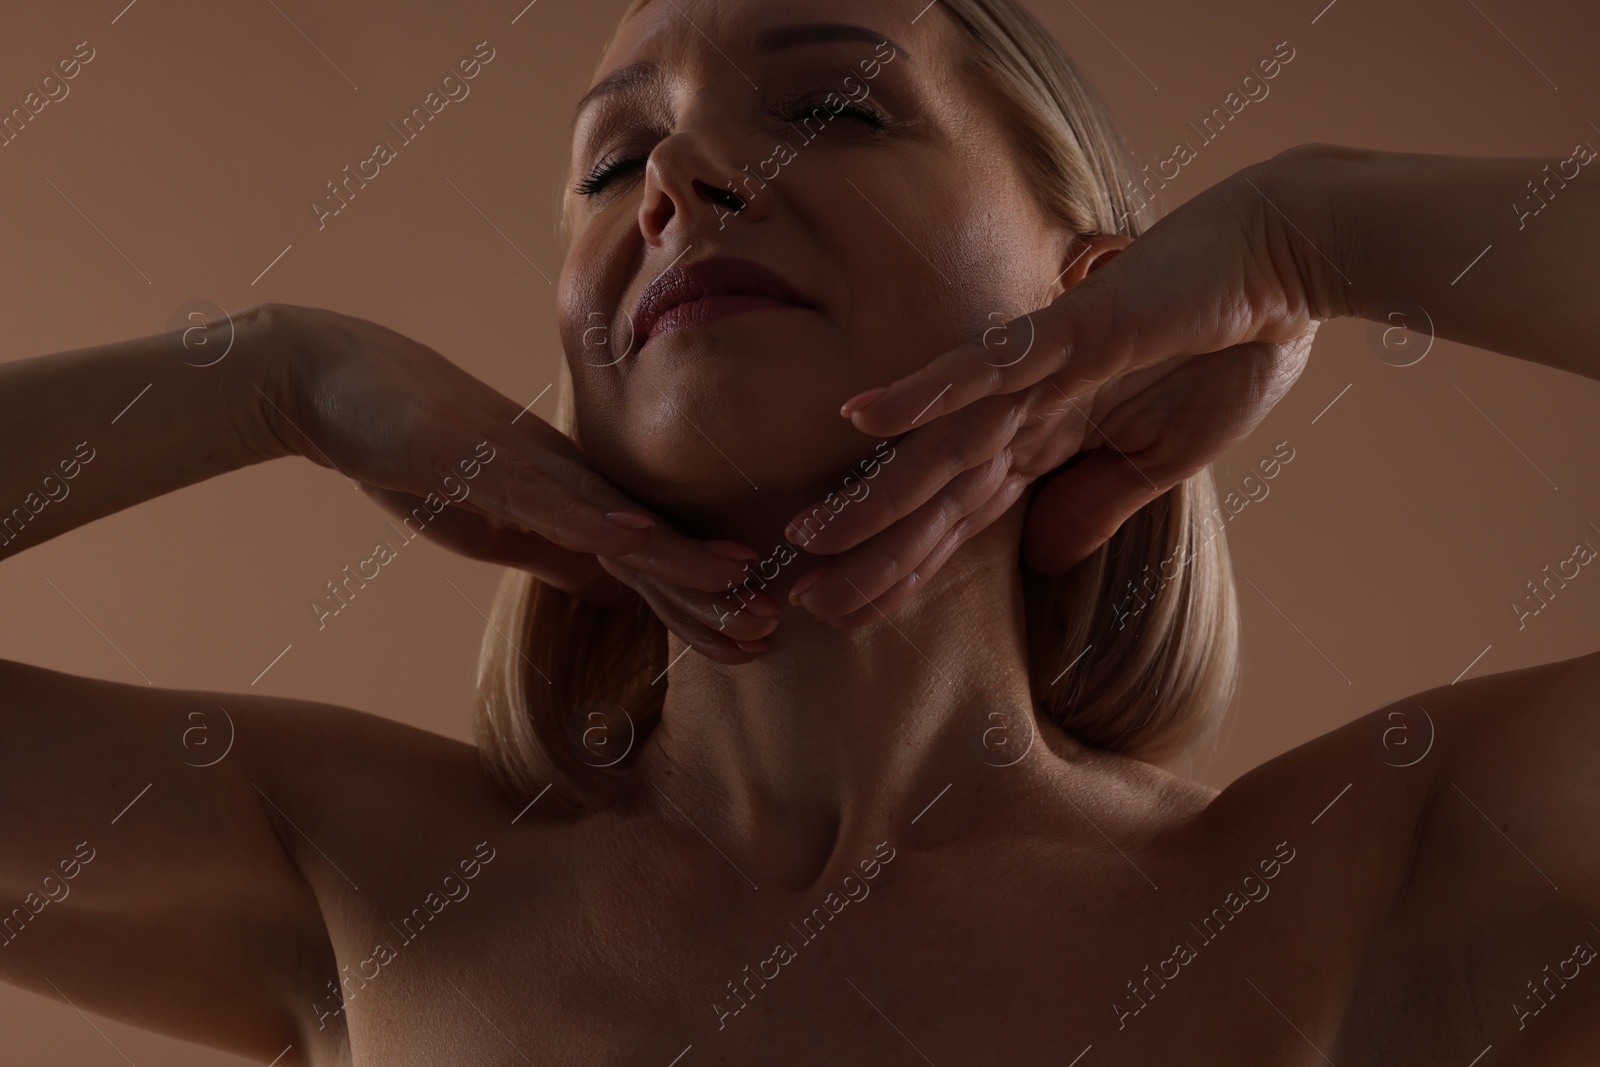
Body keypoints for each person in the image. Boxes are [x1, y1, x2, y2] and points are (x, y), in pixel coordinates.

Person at [2, 0, 1597, 1062]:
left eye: (835, 106)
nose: (680, 179)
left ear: (1099, 283)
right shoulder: (356, 882)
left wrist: (1320, 230)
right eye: (613, 159)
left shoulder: (1360, 886)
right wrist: (277, 377)